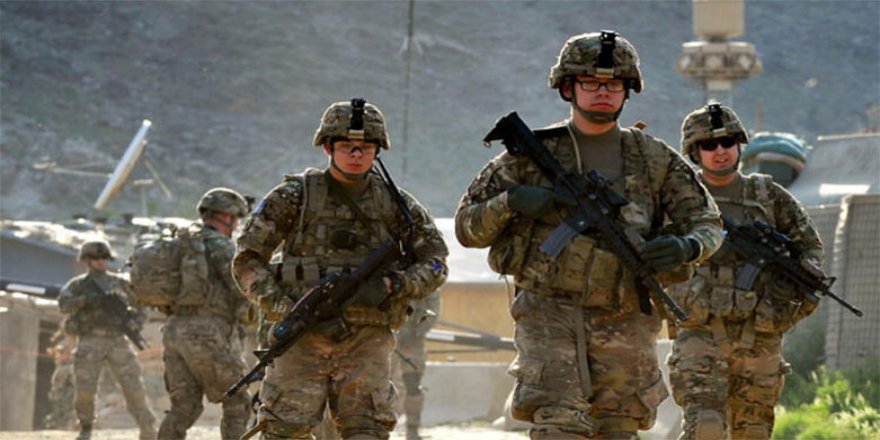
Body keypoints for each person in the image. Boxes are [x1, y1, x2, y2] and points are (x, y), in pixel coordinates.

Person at [454, 30, 723, 439]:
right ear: (568, 87)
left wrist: (688, 246)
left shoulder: (654, 159)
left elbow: (708, 222)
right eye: (591, 83)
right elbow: (466, 228)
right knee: (558, 425)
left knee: (618, 429)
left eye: (613, 85)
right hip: (548, 311)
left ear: (627, 91)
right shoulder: (528, 156)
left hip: (626, 314)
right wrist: (511, 202)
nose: (603, 92)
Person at [233, 98, 448, 439]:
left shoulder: (396, 205)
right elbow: (247, 259)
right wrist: (284, 309)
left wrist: (395, 285)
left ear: (378, 150)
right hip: (303, 338)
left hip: (367, 341)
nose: (357, 154)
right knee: (284, 431)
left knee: (366, 430)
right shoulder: (294, 197)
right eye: (347, 146)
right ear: (327, 148)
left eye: (366, 147)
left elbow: (436, 261)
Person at [668, 103, 825, 440]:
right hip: (700, 333)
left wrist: (795, 281)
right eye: (709, 145)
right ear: (694, 152)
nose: (720, 151)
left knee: (753, 432)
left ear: (740, 145)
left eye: (728, 142)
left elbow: (809, 247)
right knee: (706, 429)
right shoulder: (679, 198)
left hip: (760, 336)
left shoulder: (768, 196)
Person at [157, 187, 253, 439]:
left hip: (174, 330)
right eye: (236, 219)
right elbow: (240, 285)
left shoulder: (181, 243)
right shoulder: (220, 245)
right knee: (237, 401)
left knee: (184, 407)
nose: (236, 225)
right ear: (226, 216)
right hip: (208, 332)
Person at [58, 240, 157, 440]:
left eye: (104, 257)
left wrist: (136, 321)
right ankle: (86, 427)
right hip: (90, 340)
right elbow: (64, 305)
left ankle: (147, 427)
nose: (101, 261)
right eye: (96, 258)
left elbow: (142, 303)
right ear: (87, 260)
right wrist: (85, 300)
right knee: (85, 390)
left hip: (118, 340)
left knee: (134, 387)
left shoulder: (120, 283)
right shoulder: (78, 285)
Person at [393, 291, 441, 440]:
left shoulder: (427, 284)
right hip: (387, 337)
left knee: (412, 383)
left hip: (413, 340)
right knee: (379, 382)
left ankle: (412, 428)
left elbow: (432, 311)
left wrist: (418, 331)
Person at [43, 326, 77, 430]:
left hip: (71, 372)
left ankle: (69, 422)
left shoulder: (75, 343)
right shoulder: (65, 342)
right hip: (61, 378)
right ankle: (59, 421)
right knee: (58, 399)